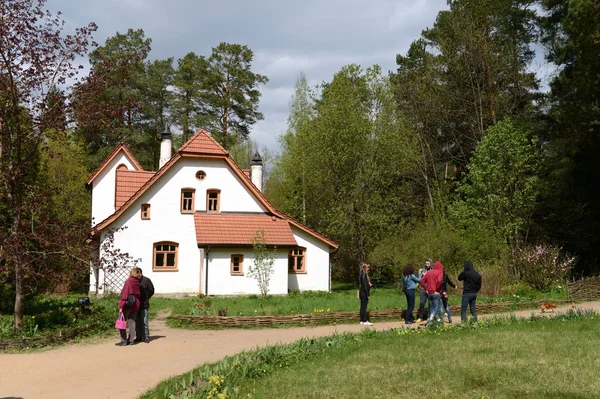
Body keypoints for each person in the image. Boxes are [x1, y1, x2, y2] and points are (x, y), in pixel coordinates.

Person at [116, 268, 141, 346]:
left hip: (127, 305)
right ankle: (131, 340)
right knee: (132, 322)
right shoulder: (137, 282)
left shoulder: (129, 282)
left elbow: (124, 294)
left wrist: (121, 306)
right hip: (135, 304)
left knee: (121, 321)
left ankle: (123, 340)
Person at [420, 260, 444, 326]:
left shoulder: (429, 272)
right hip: (435, 292)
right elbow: (439, 281)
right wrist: (437, 289)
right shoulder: (440, 272)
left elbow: (422, 281)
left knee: (431, 307)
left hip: (429, 292)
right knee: (436, 308)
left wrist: (426, 288)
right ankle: (430, 321)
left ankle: (432, 321)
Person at [135, 268, 155, 343]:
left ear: (141, 273)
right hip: (136, 305)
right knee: (137, 321)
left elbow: (152, 290)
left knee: (144, 321)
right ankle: (138, 336)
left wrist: (146, 297)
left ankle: (146, 336)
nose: (137, 276)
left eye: (138, 274)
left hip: (144, 304)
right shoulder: (134, 281)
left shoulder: (147, 280)